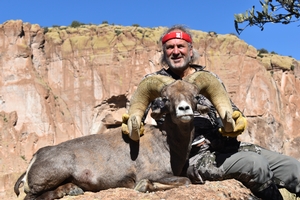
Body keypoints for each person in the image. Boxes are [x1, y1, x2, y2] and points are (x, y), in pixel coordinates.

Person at [122, 24, 300, 199]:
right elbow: (136, 116)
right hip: (190, 156)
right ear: (164, 53)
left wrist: (234, 121)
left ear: (190, 50)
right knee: (255, 164)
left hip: (225, 146)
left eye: (180, 46)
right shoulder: (156, 83)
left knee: (294, 168)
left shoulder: (206, 79)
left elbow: (228, 110)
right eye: (170, 47)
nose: (175, 51)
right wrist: (132, 123)